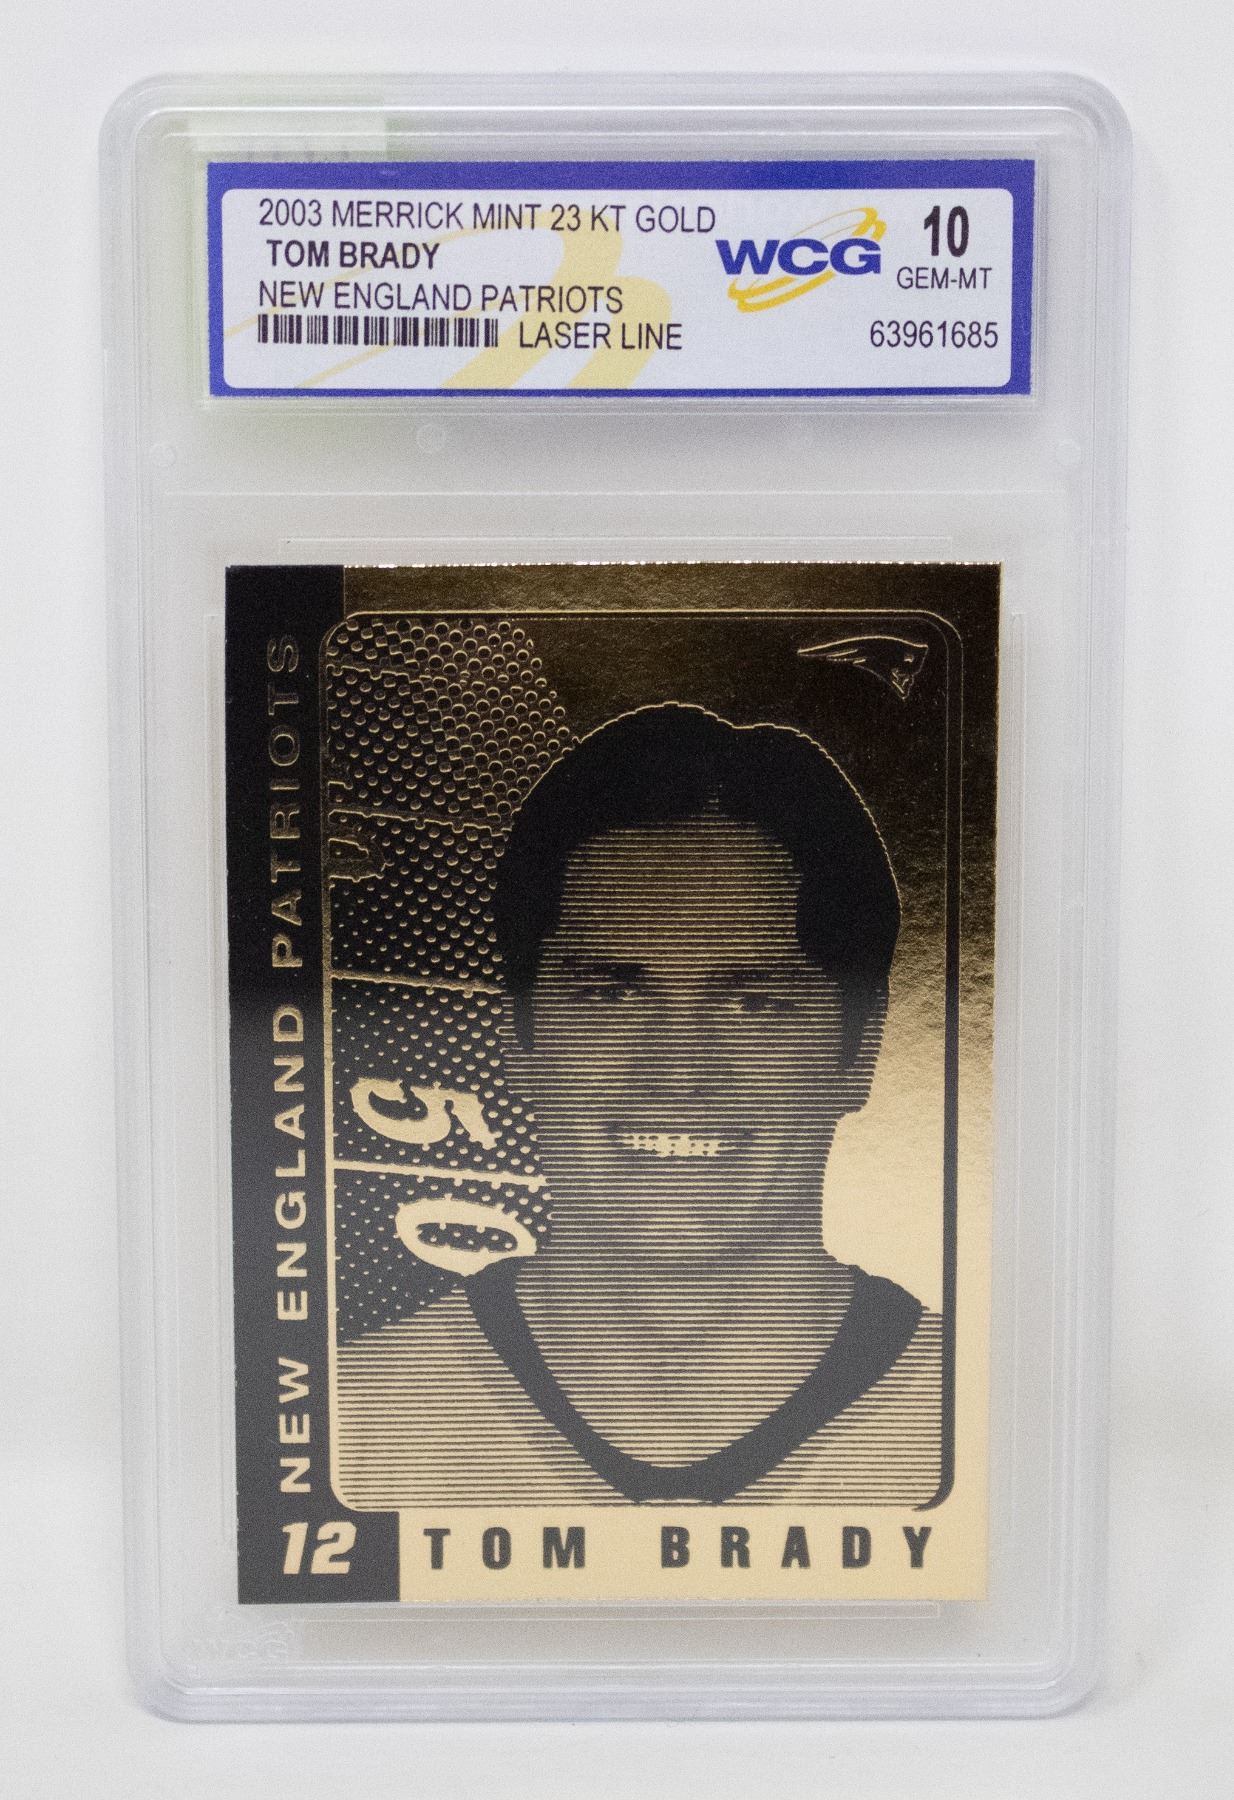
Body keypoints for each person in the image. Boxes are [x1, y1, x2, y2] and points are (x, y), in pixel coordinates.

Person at [336, 704, 941, 1508]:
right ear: (518, 1040)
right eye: (610, 996)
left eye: (755, 1003)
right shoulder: (350, 1428)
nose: (678, 1070)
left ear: (858, 1055)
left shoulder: (980, 1426)